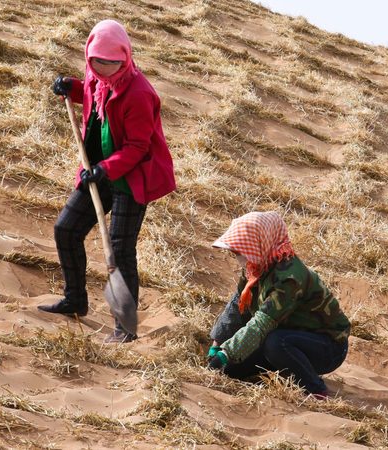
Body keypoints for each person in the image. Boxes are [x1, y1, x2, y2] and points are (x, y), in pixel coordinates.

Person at [38, 19, 176, 343]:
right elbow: (89, 94)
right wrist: (70, 87)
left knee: (119, 249)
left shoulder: (140, 94)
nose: (104, 70)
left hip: (132, 178)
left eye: (112, 64)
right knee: (66, 229)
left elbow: (138, 148)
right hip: (98, 169)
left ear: (125, 58)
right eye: (97, 63)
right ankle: (76, 300)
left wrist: (105, 170)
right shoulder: (95, 75)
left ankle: (124, 329)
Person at [207, 212, 350, 399]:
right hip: (288, 335)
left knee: (275, 342)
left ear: (259, 244)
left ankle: (316, 390)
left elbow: (261, 324)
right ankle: (286, 368)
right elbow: (238, 306)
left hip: (327, 346)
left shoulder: (289, 278)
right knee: (231, 370)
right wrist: (217, 345)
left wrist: (227, 353)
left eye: (239, 251)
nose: (237, 256)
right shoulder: (256, 267)